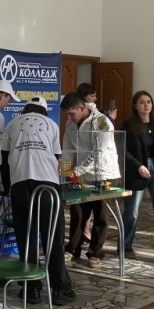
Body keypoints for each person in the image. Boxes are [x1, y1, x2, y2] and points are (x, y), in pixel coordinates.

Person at [0, 96, 75, 305]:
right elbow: (57, 157)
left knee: (26, 235)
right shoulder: (51, 124)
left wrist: (7, 187)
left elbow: (4, 160)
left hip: (20, 183)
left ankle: (30, 288)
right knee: (53, 236)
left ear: (25, 110)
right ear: (44, 110)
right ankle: (59, 288)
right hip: (47, 185)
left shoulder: (12, 124)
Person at [60, 91, 120, 269]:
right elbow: (67, 150)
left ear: (81, 107)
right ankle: (72, 249)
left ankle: (95, 253)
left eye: (72, 113)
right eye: (67, 114)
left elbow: (97, 152)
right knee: (78, 211)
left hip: (104, 174)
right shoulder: (71, 124)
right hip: (82, 175)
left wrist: (77, 171)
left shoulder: (101, 122)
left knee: (101, 214)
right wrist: (64, 170)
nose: (69, 118)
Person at [120, 91, 154, 266]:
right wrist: (138, 165)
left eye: (149, 102)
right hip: (137, 171)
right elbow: (123, 149)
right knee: (132, 213)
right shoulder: (129, 124)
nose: (146, 105)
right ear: (135, 105)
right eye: (142, 102)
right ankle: (125, 247)